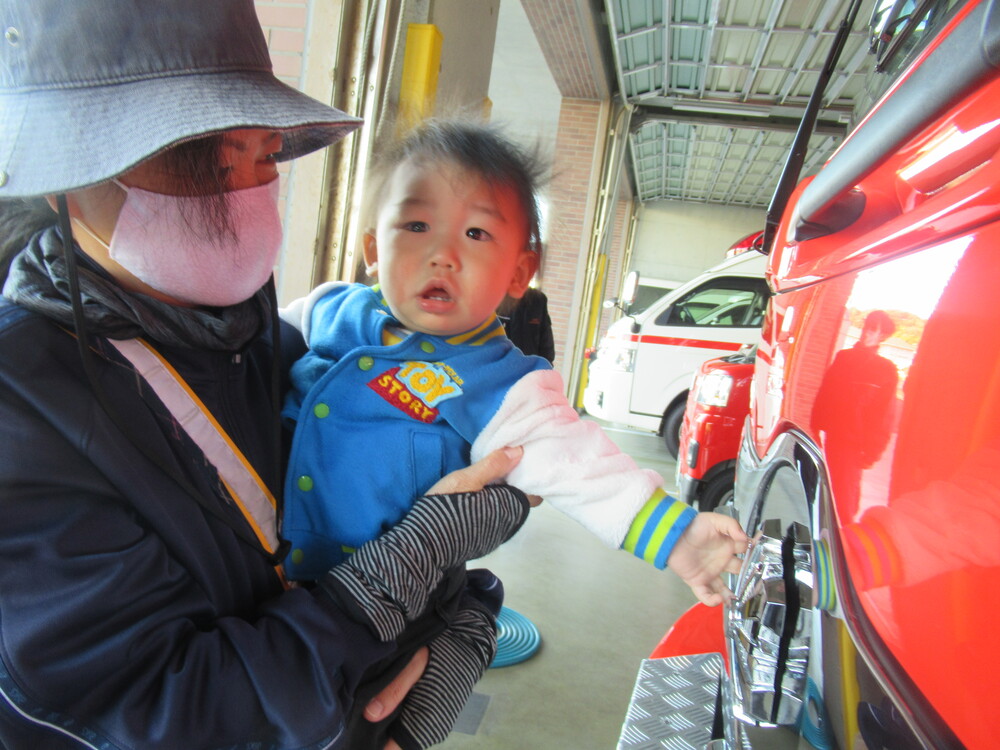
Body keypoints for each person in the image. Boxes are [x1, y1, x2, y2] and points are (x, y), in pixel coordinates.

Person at [0, 2, 537, 749]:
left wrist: (463, 629)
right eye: (210, 154)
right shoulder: (24, 407)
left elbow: (395, 521)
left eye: (266, 152)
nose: (253, 187)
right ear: (70, 173)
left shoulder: (263, 337)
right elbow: (166, 708)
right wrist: (390, 582)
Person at [281, 122, 748, 610]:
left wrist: (681, 537)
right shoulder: (329, 309)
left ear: (519, 272)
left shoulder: (501, 383)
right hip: (264, 570)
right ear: (374, 252)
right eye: (416, 226)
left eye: (476, 233)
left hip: (381, 603)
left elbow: (581, 465)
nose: (442, 255)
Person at [498, 286, 556, 362]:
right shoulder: (496, 297)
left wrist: (544, 369)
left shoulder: (537, 299)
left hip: (529, 368)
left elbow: (547, 347)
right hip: (499, 368)